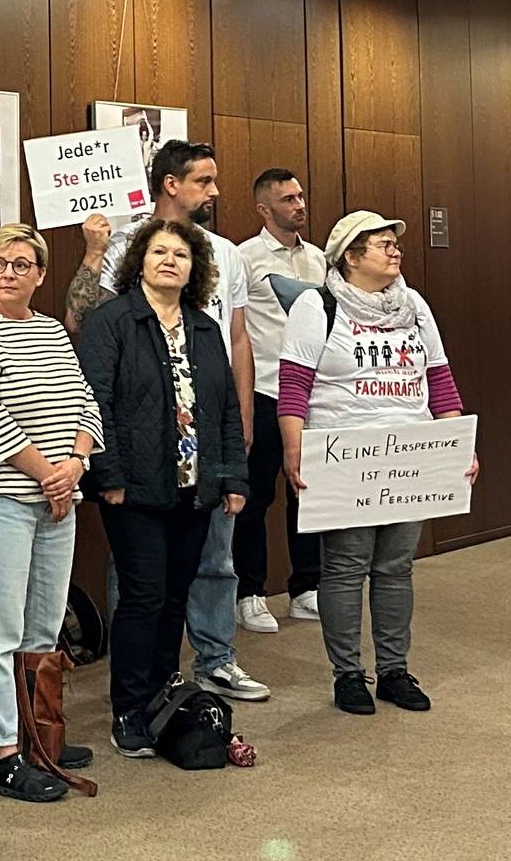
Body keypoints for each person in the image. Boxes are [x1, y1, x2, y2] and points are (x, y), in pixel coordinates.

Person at [65, 141, 268, 703]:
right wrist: (104, 471)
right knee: (142, 586)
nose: (215, 191)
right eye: (204, 180)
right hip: (136, 455)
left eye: (179, 258)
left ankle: (211, 660)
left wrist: (241, 421)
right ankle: (131, 691)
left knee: (202, 568)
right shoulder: (120, 249)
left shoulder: (224, 258)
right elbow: (80, 329)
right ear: (171, 183)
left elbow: (238, 340)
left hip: (202, 451)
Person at [276, 211, 473, 716]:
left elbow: (440, 380)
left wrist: (458, 443)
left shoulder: (415, 306)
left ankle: (394, 670)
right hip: (344, 455)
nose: (395, 250)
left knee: (395, 566)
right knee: (344, 567)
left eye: (395, 244)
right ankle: (347, 675)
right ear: (350, 256)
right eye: (382, 244)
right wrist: (293, 451)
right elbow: (294, 387)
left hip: (410, 454)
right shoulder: (314, 306)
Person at [77, 218, 247, 757]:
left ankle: (161, 697)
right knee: (143, 598)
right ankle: (127, 709)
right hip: (134, 489)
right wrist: (110, 478)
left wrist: (232, 477)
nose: (170, 260)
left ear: (196, 269)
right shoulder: (112, 321)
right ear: (139, 262)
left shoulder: (204, 327)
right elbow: (93, 401)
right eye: (159, 252)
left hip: (195, 489)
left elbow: (223, 409)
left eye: (181, 254)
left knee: (176, 597)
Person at [0, 223, 98, 801]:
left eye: (20, 264)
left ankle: (40, 733)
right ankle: (2, 752)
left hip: (59, 499)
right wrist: (49, 475)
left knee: (42, 627)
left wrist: (75, 466)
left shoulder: (53, 331)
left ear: (39, 273)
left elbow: (86, 404)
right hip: (1, 500)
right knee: (0, 631)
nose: (7, 273)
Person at [234, 168, 325, 631]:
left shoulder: (320, 260)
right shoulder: (244, 258)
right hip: (265, 388)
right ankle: (249, 592)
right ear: (264, 210)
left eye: (301, 195)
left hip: (310, 392)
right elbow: (236, 330)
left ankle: (305, 587)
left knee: (306, 492)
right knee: (253, 496)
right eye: (288, 199)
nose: (300, 205)